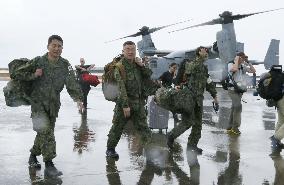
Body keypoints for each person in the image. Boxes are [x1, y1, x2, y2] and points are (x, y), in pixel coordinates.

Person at [13, 35, 84, 177]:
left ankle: (33, 156)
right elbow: (17, 73)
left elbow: (71, 83)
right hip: (38, 104)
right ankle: (49, 165)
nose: (57, 48)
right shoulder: (39, 61)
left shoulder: (65, 64)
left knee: (44, 134)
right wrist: (34, 75)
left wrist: (78, 99)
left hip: (53, 105)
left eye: (59, 46)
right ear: (48, 47)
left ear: (62, 48)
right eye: (54, 45)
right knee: (47, 132)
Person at [167, 46, 219, 154]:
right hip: (189, 98)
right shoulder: (190, 64)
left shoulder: (204, 68)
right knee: (188, 122)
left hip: (199, 100)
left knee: (198, 124)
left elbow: (208, 83)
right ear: (198, 52)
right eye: (204, 50)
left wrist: (215, 96)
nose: (207, 52)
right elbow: (191, 69)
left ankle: (192, 146)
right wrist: (200, 58)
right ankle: (171, 136)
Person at [106, 41, 152, 158]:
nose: (130, 51)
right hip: (124, 103)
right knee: (117, 127)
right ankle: (110, 149)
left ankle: (150, 153)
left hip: (139, 102)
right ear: (123, 51)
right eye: (128, 49)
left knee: (144, 128)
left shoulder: (137, 65)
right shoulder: (119, 67)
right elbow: (120, 87)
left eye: (133, 49)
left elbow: (148, 75)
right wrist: (125, 105)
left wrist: (142, 65)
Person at [227, 52, 256, 135]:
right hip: (232, 89)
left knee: (234, 108)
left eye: (244, 58)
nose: (243, 60)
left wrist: (248, 62)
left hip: (239, 90)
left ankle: (229, 127)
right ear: (238, 58)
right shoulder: (231, 64)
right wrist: (236, 60)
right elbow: (234, 69)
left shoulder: (243, 66)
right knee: (238, 107)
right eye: (242, 58)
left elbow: (253, 71)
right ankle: (235, 128)